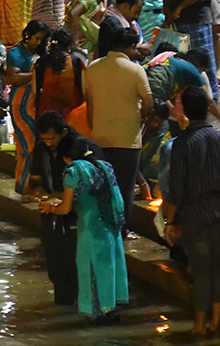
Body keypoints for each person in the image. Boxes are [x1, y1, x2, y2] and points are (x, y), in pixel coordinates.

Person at [164, 86, 220, 336]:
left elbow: (176, 188)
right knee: (217, 267)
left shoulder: (183, 143)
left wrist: (170, 221)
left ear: (186, 111)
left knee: (200, 269)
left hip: (194, 213)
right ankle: (215, 322)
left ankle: (199, 324)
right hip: (217, 210)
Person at [40, 134, 130, 322]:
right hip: (110, 228)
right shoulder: (104, 166)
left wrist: (51, 208)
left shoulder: (74, 170)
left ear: (66, 156)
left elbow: (65, 208)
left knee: (91, 270)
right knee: (108, 268)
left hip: (90, 229)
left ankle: (97, 313)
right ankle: (110, 309)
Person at [84, 24, 153, 225]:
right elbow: (148, 102)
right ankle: (122, 229)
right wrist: (141, 118)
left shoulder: (93, 68)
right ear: (131, 47)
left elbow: (89, 105)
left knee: (103, 186)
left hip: (100, 137)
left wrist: (95, 126)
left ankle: (103, 227)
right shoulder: (136, 70)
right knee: (125, 187)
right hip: (127, 139)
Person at [35, 112, 104, 307]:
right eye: (45, 139)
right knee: (56, 261)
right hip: (53, 217)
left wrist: (59, 199)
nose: (49, 143)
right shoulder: (41, 150)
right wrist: (39, 193)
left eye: (52, 138)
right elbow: (36, 181)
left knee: (77, 262)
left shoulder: (82, 150)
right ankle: (65, 300)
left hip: (78, 217)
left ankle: (84, 301)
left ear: (63, 132)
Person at [4, 20, 46, 194]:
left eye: (42, 39)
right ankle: (23, 186)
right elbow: (12, 78)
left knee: (34, 146)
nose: (39, 42)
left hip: (34, 103)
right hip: (20, 104)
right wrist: (36, 73)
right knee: (27, 147)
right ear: (28, 35)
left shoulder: (39, 51)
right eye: (36, 38)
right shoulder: (16, 53)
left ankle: (32, 187)